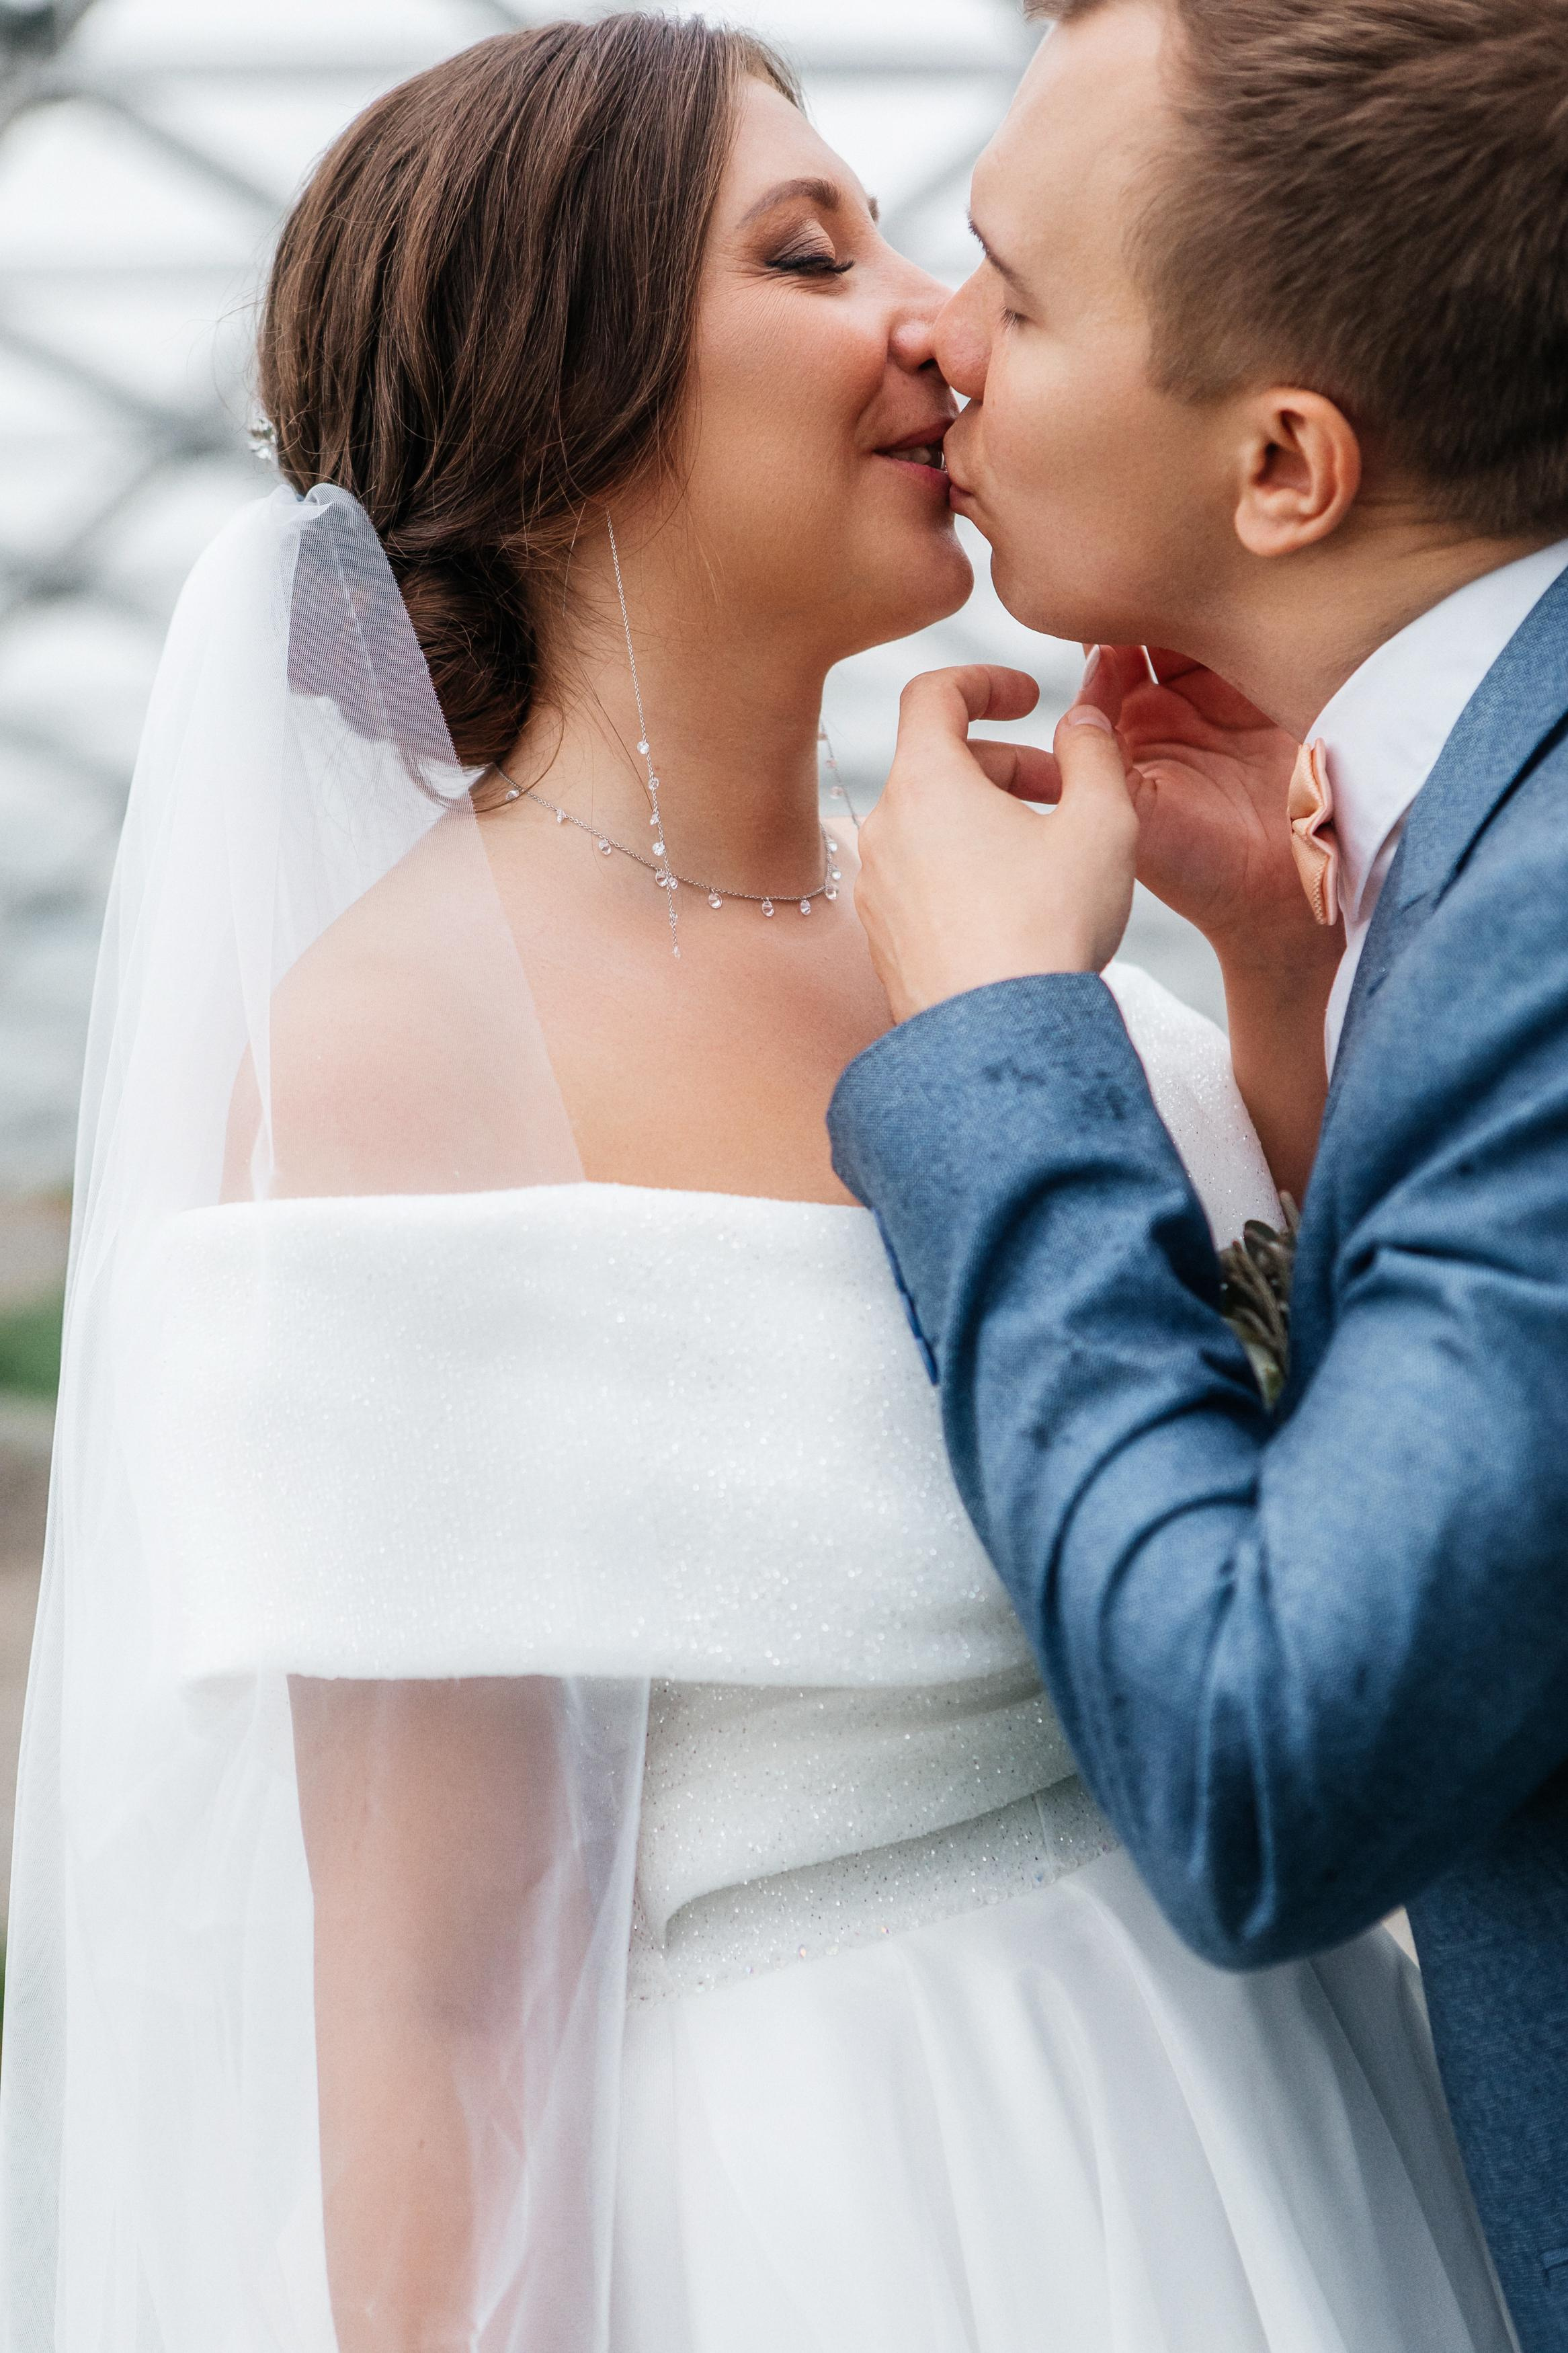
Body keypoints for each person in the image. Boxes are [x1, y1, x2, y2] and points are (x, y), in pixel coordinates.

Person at [0, 16, 1510, 2353]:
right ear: (565, 394)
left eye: (897, 233)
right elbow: (432, 2014)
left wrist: (1277, 978)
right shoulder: (399, 1047)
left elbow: (1361, 1510)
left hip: (1296, 2113)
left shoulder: (1021, 941)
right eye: (812, 253)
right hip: (865, 2217)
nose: (931, 312)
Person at [828, 0, 1568, 2346]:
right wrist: (1289, 972)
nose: (934, 333)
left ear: (1282, 465)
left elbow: (1272, 1759)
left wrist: (999, 1048)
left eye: (1021, 293)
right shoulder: (1475, 847)